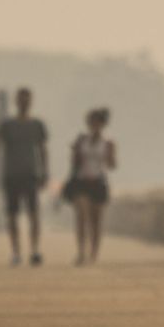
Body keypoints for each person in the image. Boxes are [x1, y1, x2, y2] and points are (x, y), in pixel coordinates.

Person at [0, 87, 49, 266]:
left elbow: (42, 149)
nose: (24, 103)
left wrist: (45, 172)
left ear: (31, 101)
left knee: (33, 213)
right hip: (11, 174)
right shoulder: (7, 124)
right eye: (21, 99)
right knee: (12, 215)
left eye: (27, 99)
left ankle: (35, 250)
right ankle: (16, 251)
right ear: (16, 101)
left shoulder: (37, 125)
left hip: (30, 173)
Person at [64, 108, 116, 265]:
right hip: (81, 182)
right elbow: (73, 162)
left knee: (96, 220)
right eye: (92, 122)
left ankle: (94, 253)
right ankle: (81, 251)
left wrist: (109, 154)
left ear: (102, 124)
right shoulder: (81, 140)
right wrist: (75, 152)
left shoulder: (108, 142)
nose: (94, 125)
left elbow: (112, 165)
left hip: (98, 182)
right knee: (81, 216)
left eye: (98, 122)